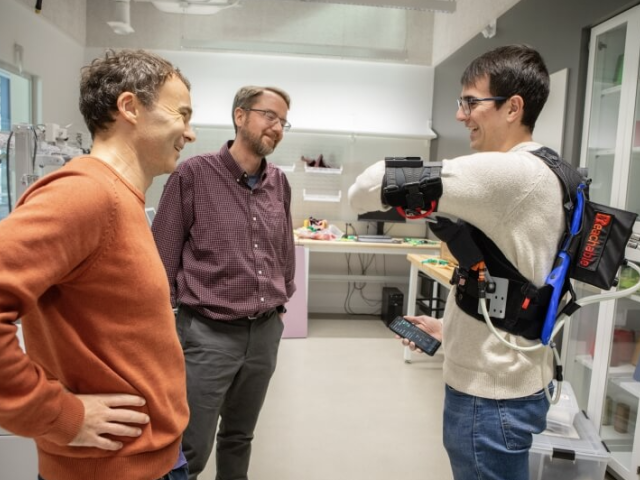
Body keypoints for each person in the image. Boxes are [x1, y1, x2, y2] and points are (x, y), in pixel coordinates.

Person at [348, 44, 563, 480]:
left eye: (470, 102)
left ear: (513, 108)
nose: (461, 115)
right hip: (515, 378)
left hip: (490, 399)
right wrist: (451, 331)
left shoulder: (509, 173)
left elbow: (365, 189)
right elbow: (522, 285)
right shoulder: (552, 169)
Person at [0, 49, 196, 480]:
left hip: (154, 457)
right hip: (111, 469)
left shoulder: (121, 198)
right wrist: (58, 415)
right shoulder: (84, 195)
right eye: (181, 114)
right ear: (129, 107)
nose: (190, 132)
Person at [152, 85, 296, 480]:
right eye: (269, 115)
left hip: (264, 332)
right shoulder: (193, 174)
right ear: (240, 115)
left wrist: (279, 307)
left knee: (239, 437)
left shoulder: (279, 183)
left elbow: (285, 252)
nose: (277, 127)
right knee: (191, 446)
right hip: (207, 334)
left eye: (283, 121)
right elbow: (162, 256)